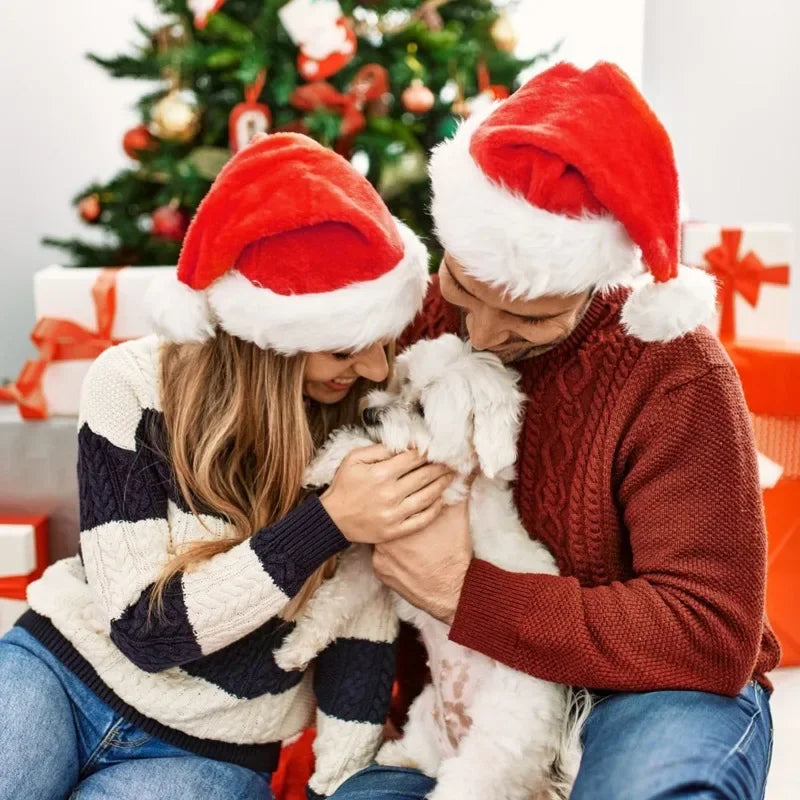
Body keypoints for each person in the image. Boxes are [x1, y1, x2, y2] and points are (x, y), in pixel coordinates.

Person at [331, 62, 779, 800]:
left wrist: (464, 591)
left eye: (531, 317)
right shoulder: (408, 323)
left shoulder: (674, 369)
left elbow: (710, 633)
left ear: (598, 278)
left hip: (654, 689)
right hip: (467, 712)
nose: (481, 331)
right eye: (464, 288)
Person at [0, 133, 448, 800]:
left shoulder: (369, 425)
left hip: (211, 749)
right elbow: (146, 632)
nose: (377, 370)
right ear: (270, 342)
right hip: (61, 669)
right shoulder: (130, 383)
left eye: (383, 343)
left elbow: (361, 624)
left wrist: (340, 783)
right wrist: (325, 522)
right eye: (345, 349)